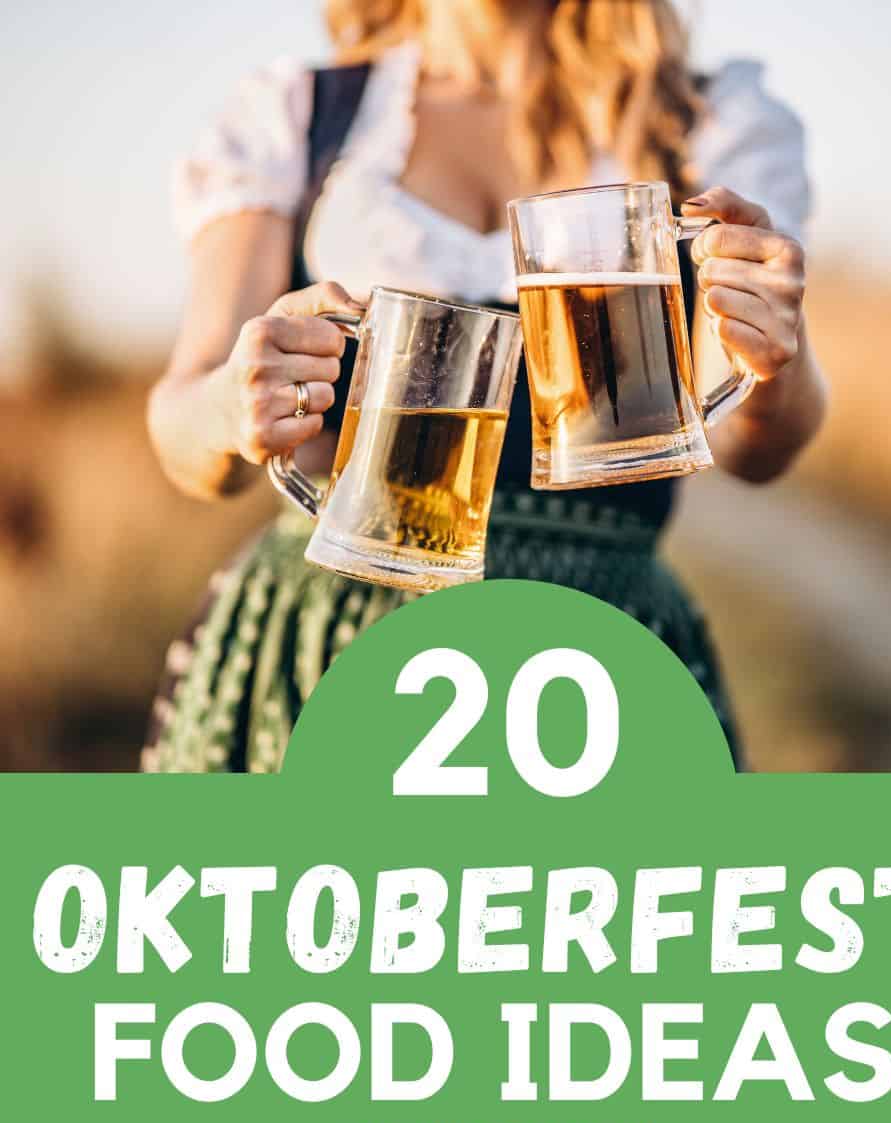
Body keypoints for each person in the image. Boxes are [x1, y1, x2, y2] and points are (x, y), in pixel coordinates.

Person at [146, 0, 826, 773]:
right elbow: (183, 428)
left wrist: (775, 359)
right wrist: (234, 403)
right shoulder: (304, 118)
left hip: (599, 648)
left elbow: (751, 446)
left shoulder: (701, 124)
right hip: (329, 645)